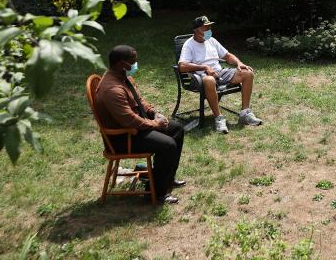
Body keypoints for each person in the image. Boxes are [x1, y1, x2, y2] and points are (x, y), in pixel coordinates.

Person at [94, 44, 186, 205]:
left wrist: (154, 113)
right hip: (124, 137)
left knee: (177, 129)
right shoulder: (112, 89)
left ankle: (166, 178)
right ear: (122, 64)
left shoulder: (124, 78)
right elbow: (129, 120)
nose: (136, 64)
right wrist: (156, 125)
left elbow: (139, 100)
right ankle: (157, 194)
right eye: (133, 61)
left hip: (136, 129)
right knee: (168, 145)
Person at [178, 15, 263, 134]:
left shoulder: (211, 40)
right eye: (205, 28)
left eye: (210, 27)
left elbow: (227, 56)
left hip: (220, 72)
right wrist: (204, 67)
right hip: (201, 76)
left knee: (248, 73)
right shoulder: (189, 45)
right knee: (209, 80)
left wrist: (239, 63)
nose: (209, 31)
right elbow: (182, 66)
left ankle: (245, 113)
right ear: (196, 30)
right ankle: (219, 118)